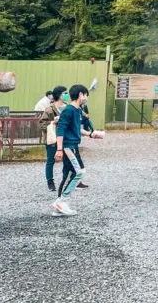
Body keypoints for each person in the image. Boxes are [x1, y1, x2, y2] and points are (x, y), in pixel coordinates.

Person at [52, 85, 102, 217]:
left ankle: (60, 203)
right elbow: (61, 130)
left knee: (70, 173)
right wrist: (59, 149)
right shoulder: (69, 110)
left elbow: (76, 128)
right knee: (78, 172)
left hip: (73, 145)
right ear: (81, 94)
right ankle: (62, 201)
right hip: (68, 146)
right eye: (85, 95)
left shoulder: (77, 110)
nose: (86, 98)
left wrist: (91, 134)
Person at [39, 86, 67, 191]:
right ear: (59, 94)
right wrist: (53, 122)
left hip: (66, 138)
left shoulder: (68, 107)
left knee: (68, 160)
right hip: (52, 139)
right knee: (51, 160)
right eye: (65, 93)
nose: (66, 95)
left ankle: (67, 180)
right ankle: (50, 182)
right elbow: (42, 123)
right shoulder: (50, 109)